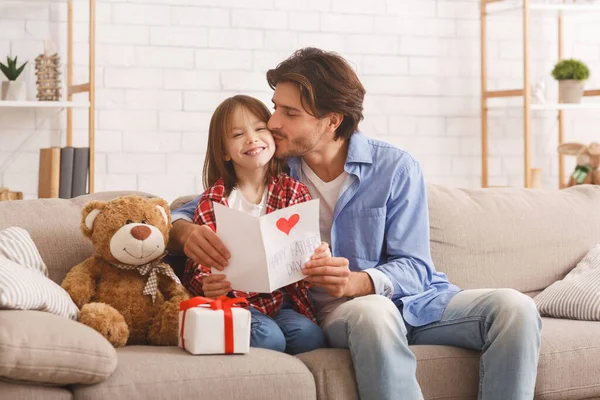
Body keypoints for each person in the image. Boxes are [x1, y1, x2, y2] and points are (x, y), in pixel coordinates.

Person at [168, 48, 542, 400]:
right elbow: (194, 210)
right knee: (372, 311)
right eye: (275, 108)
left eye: (290, 113)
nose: (273, 123)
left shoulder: (395, 168)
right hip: (342, 312)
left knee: (516, 308)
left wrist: (359, 281)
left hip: (419, 303)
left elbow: (416, 267)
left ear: (333, 121)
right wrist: (183, 232)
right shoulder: (276, 168)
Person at [181, 94, 327, 356]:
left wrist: (317, 258)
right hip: (236, 302)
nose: (252, 138)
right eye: (238, 134)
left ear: (273, 137)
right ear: (224, 151)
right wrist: (207, 284)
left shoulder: (293, 192)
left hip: (281, 302)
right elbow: (198, 265)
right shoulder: (215, 201)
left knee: (310, 337)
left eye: (260, 129)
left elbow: (305, 250)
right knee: (268, 338)